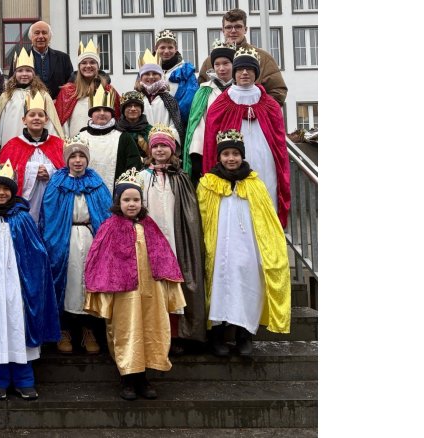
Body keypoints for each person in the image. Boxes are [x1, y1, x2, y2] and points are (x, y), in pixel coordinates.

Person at [84, 168, 186, 401]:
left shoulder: (149, 225)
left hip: (150, 291)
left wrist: (168, 286)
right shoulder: (110, 226)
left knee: (150, 329)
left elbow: (164, 257)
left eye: (136, 200)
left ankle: (144, 378)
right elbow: (100, 260)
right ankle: (128, 379)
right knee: (126, 332)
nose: (132, 204)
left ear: (142, 201)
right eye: (126, 200)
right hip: (124, 293)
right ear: (118, 202)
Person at [0, 160, 60, 401]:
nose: (1, 193)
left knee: (18, 326)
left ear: (12, 191)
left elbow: (37, 254)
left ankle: (24, 379)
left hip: (18, 285)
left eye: (6, 189)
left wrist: (29, 281)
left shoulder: (23, 218)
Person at [197, 129, 290, 357]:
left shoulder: (254, 183)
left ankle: (244, 334)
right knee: (219, 287)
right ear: (219, 156)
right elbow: (200, 216)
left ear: (242, 156)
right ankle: (217, 334)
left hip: (247, 246)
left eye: (235, 154)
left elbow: (266, 218)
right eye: (226, 154)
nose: (231, 158)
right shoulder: (208, 183)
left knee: (246, 287)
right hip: (218, 248)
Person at [136, 125, 207, 354]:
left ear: (172, 149)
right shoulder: (140, 176)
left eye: (164, 146)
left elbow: (190, 213)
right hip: (149, 239)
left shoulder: (182, 178)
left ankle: (176, 334)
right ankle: (152, 333)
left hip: (175, 239)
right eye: (155, 146)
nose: (159, 150)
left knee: (174, 284)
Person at [39, 138, 112, 355]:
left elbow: (105, 212)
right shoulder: (56, 182)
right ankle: (64, 329)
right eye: (73, 156)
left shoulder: (97, 182)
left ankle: (88, 329)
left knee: (87, 284)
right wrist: (54, 242)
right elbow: (49, 215)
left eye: (81, 156)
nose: (78, 160)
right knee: (67, 284)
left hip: (90, 237)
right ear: (67, 160)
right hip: (65, 238)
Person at [202, 47, 290, 227]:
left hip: (266, 162)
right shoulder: (221, 104)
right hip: (232, 163)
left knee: (266, 195)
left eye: (249, 69)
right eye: (240, 69)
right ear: (234, 72)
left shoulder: (270, 105)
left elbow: (278, 140)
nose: (244, 73)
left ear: (256, 73)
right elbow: (211, 141)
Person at [197, 8, 287, 106]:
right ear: (222, 30)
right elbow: (200, 92)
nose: (233, 31)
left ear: (245, 29)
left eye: (238, 27)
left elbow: (278, 91)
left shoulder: (262, 57)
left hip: (251, 118)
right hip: (219, 118)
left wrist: (258, 110)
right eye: (228, 27)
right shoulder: (210, 60)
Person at [0, 91, 65, 223]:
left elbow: (69, 173)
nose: (36, 118)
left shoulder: (59, 144)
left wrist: (50, 171)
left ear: (46, 120)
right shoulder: (12, 146)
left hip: (53, 203)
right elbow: (5, 178)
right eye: (31, 115)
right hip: (24, 206)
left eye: (41, 115)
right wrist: (33, 170)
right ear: (24, 120)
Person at [183, 40, 236, 184]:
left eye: (226, 63)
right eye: (217, 64)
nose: (221, 68)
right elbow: (198, 123)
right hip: (211, 148)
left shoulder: (242, 89)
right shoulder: (205, 91)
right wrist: (196, 153)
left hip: (238, 149)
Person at [77, 84, 143, 193]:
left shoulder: (123, 137)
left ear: (112, 114)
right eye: (97, 110)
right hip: (85, 193)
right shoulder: (81, 137)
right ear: (91, 114)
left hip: (116, 194)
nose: (102, 113)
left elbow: (134, 167)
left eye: (106, 110)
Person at [0, 48, 64, 147]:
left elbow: (52, 121)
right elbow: (0, 122)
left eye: (28, 70)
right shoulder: (6, 96)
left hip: (37, 141)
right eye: (20, 71)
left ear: (33, 74)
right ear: (14, 74)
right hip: (11, 139)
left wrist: (53, 143)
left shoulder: (43, 95)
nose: (24, 74)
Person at [55, 39, 119, 138]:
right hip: (76, 144)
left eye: (92, 62)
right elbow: (61, 122)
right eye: (84, 63)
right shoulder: (68, 91)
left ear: (98, 66)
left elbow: (117, 118)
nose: (88, 66)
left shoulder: (109, 90)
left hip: (104, 141)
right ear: (79, 66)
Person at [9, 21, 73, 101]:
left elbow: (70, 85)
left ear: (49, 37)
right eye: (37, 33)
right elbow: (12, 84)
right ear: (31, 37)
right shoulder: (19, 57)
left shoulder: (63, 58)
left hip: (57, 106)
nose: (41, 36)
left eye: (44, 33)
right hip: (28, 107)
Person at [136, 50, 184, 147]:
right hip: (142, 147)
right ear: (141, 77)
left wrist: (163, 141)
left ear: (160, 76)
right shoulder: (137, 98)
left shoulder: (169, 99)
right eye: (147, 74)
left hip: (165, 146)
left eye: (154, 73)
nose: (151, 76)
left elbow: (175, 125)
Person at [155, 29, 199, 123]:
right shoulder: (148, 70)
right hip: (154, 119)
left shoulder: (185, 71)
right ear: (156, 49)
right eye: (162, 47)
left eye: (170, 47)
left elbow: (190, 101)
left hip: (177, 124)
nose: (166, 51)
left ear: (176, 49)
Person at [115, 90, 153, 163]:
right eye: (129, 106)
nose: (133, 109)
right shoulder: (116, 130)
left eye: (136, 105)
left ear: (141, 109)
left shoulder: (150, 130)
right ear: (123, 110)